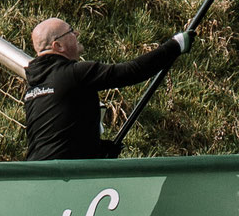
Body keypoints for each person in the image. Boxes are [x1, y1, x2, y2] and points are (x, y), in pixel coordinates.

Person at [22, 17, 188, 161]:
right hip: (67, 176)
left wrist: (97, 149)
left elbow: (57, 134)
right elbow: (131, 72)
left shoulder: (33, 87)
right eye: (71, 31)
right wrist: (176, 45)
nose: (77, 34)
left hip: (38, 174)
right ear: (58, 45)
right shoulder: (74, 73)